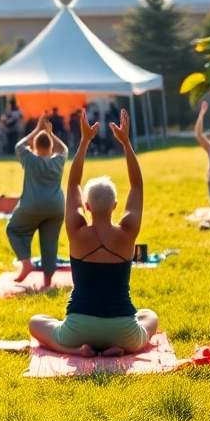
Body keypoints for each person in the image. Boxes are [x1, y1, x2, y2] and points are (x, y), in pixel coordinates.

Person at [28, 110, 157, 357]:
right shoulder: (128, 231)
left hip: (79, 328)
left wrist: (85, 140)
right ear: (115, 206)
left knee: (36, 321)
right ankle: (117, 349)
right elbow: (137, 186)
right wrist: (126, 143)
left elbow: (73, 183)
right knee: (150, 316)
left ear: (86, 206)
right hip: (123, 330)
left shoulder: (76, 230)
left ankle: (76, 351)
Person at [10, 113, 69, 287]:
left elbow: (19, 145)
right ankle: (47, 283)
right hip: (56, 207)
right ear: (51, 147)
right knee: (50, 244)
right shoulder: (58, 160)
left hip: (31, 206)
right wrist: (50, 133)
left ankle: (26, 263)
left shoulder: (29, 159)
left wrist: (37, 130)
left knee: (13, 230)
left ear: (34, 147)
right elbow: (64, 149)